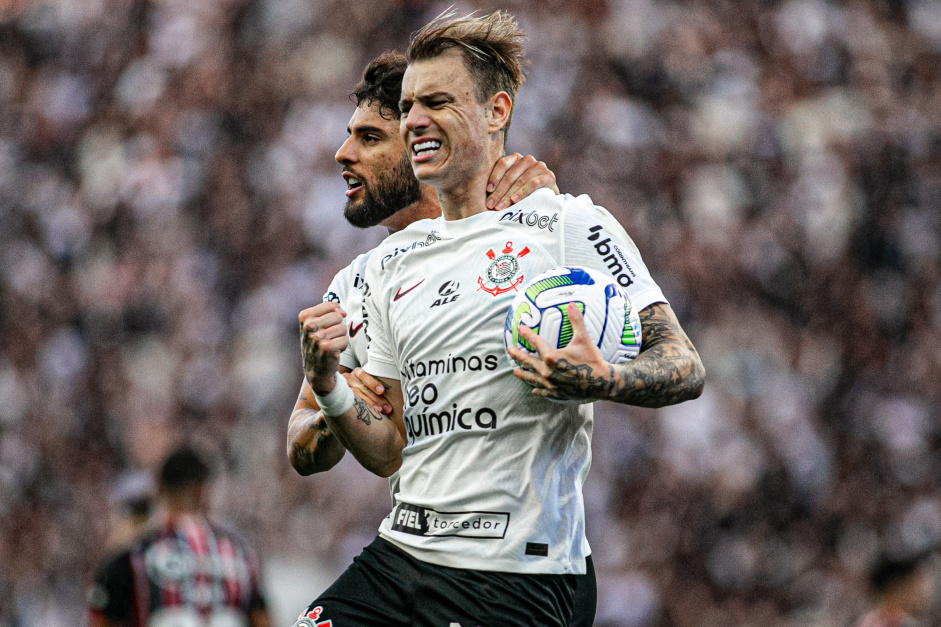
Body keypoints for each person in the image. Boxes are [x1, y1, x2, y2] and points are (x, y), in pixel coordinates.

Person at [299, 10, 704, 626]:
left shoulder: (566, 225)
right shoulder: (386, 265)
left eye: (437, 101)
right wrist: (328, 386)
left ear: (496, 111)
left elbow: (683, 363)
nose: (415, 121)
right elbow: (387, 448)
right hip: (403, 554)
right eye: (408, 106)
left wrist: (604, 382)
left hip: (513, 573)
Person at [285, 52, 603, 626]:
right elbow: (303, 445)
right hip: (414, 552)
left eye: (369, 137)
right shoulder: (357, 283)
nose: (343, 153)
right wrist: (336, 398)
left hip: (522, 570)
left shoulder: (526, 223)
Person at [88, 447, 270, 627]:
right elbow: (261, 620)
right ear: (205, 491)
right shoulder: (241, 555)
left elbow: (102, 620)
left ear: (159, 490)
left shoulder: (134, 557)